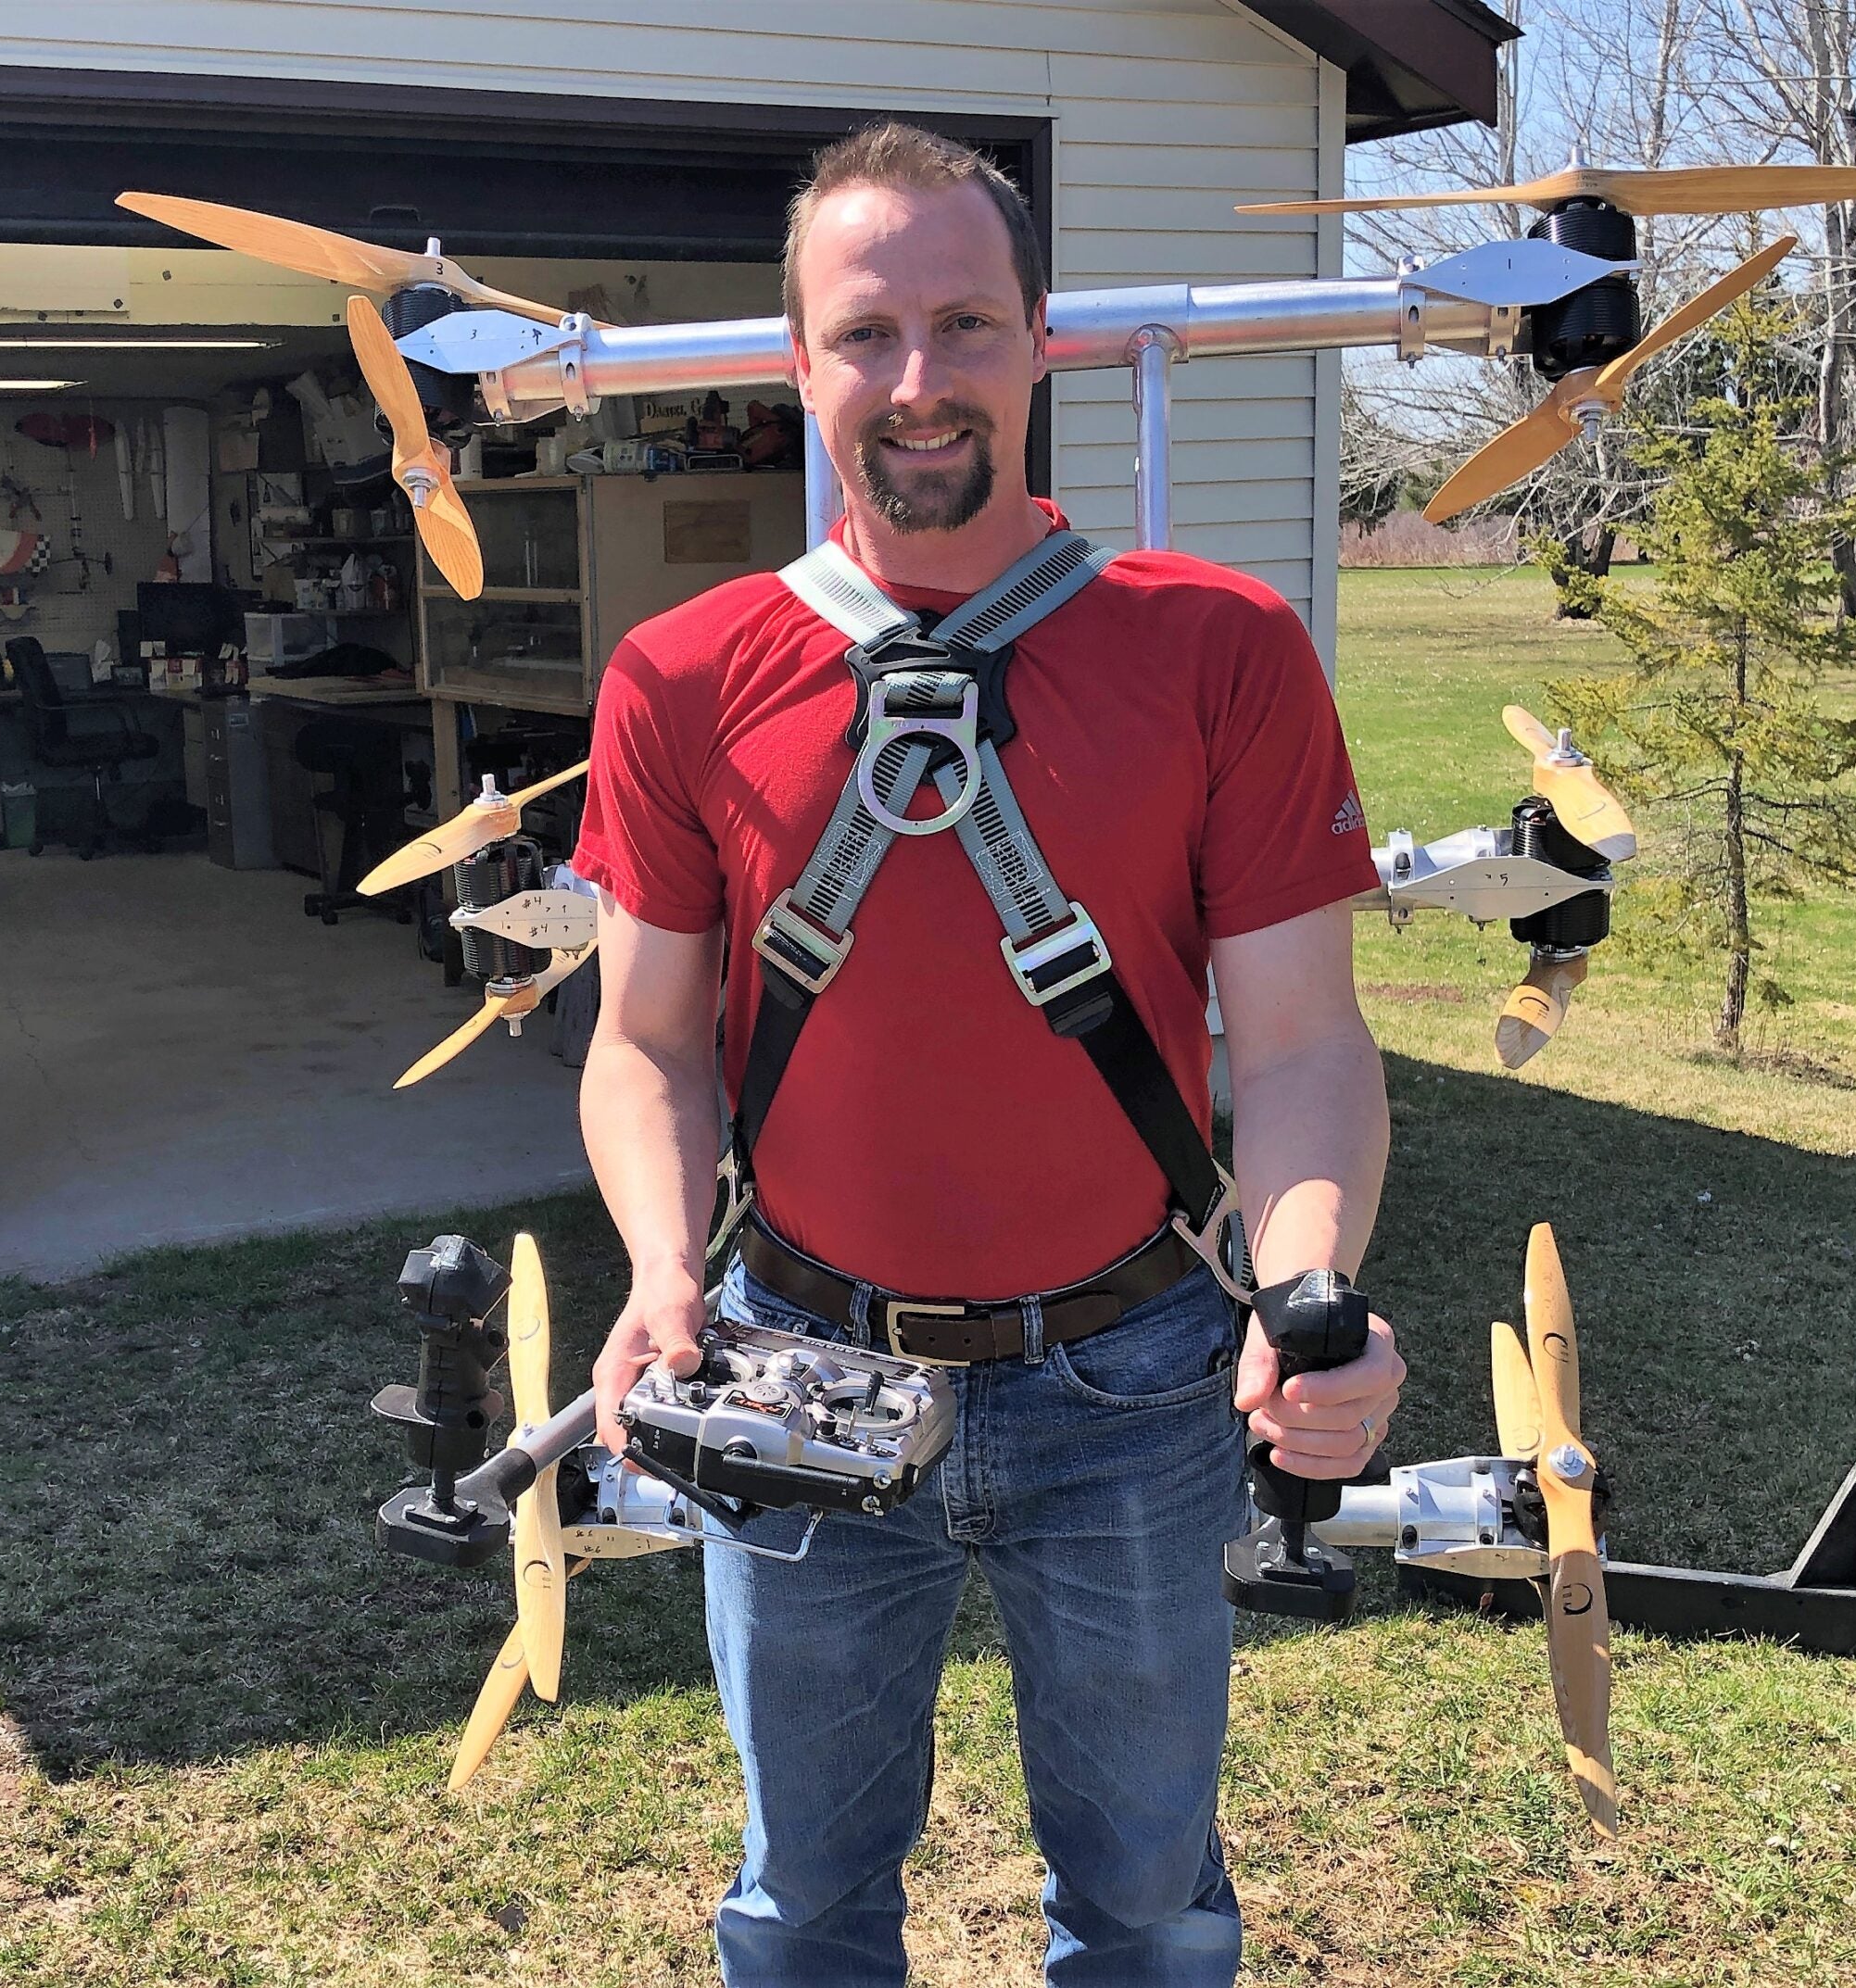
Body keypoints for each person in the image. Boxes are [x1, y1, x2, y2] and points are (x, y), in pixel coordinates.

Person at [567, 121, 1404, 1988]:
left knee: (1149, 1906)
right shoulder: (681, 677)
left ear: (1041, 341)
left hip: (1132, 1382)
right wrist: (653, 1268)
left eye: (962, 322)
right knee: (799, 1905)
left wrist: (1303, 1284)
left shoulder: (1221, 652)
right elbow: (642, 1045)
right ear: (798, 365)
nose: (916, 379)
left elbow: (1295, 1046)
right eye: (864, 333)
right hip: (792, 1361)